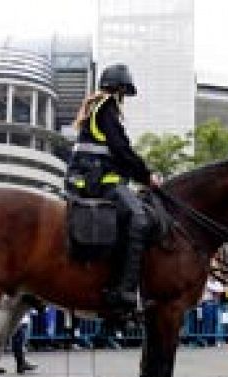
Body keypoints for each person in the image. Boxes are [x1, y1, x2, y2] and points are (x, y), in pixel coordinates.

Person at [67, 63, 160, 312]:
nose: (124, 99)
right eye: (125, 94)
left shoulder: (95, 108)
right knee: (138, 217)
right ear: (119, 89)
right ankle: (124, 291)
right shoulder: (107, 107)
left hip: (85, 178)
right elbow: (120, 149)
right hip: (99, 180)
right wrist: (147, 175)